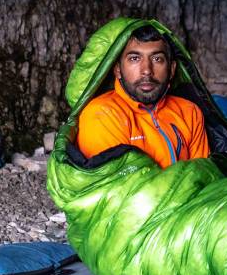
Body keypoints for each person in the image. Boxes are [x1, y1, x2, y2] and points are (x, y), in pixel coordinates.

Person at [76, 25, 210, 168]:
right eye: (134, 58)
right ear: (118, 70)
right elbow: (120, 185)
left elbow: (202, 176)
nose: (146, 70)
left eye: (157, 59)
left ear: (171, 70)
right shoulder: (102, 115)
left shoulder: (189, 112)